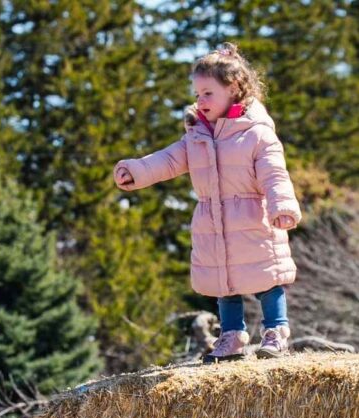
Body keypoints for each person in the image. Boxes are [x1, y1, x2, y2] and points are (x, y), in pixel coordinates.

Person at [113, 43, 302, 364]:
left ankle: (275, 331)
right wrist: (137, 170)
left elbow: (275, 173)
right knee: (224, 284)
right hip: (213, 221)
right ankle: (232, 335)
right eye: (197, 94)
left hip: (254, 218)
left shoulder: (257, 134)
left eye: (207, 93)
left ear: (234, 89)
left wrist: (283, 205)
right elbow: (169, 159)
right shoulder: (197, 135)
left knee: (268, 278)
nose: (200, 101)